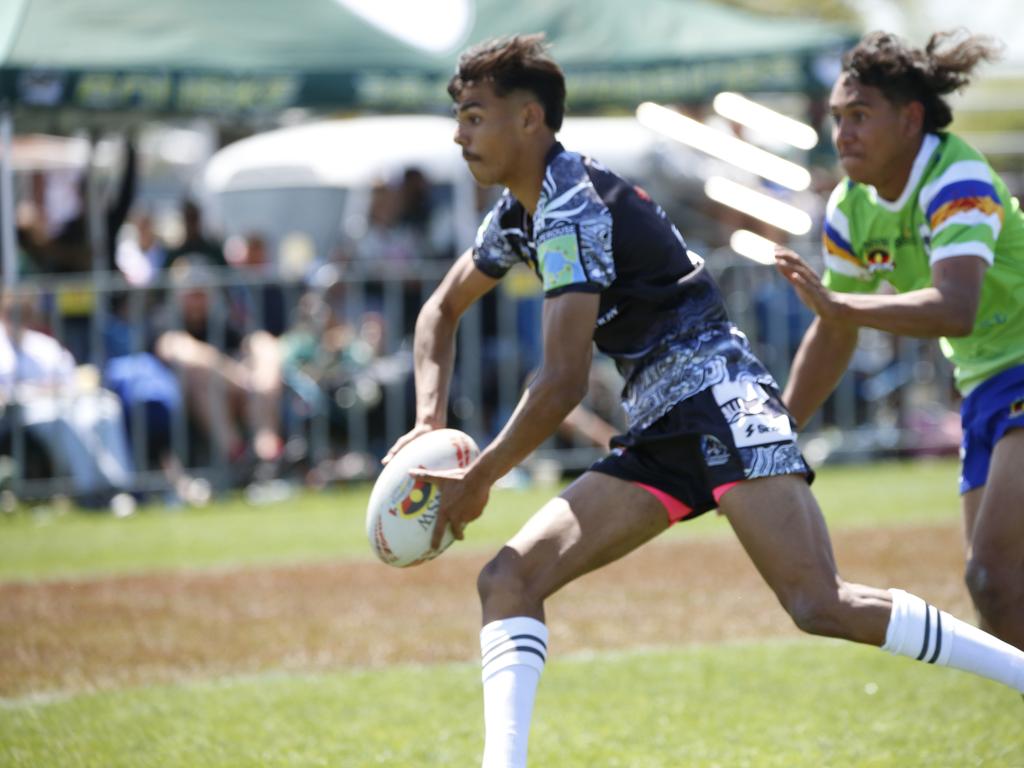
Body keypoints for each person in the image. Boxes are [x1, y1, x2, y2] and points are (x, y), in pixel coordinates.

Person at [381, 34, 1024, 768]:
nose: (459, 135)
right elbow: (440, 310)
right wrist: (427, 425)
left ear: (530, 120)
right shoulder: (518, 215)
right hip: (660, 427)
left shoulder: (572, 207)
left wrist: (482, 477)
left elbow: (561, 382)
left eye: (473, 117)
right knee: (508, 579)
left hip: (720, 403)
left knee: (821, 605)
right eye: (459, 118)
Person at [774, 30, 1024, 649]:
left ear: (911, 119)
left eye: (860, 115)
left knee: (993, 574)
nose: (843, 133)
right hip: (986, 385)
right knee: (995, 594)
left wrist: (843, 305)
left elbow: (956, 307)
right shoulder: (848, 206)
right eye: (837, 117)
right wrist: (771, 441)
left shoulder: (955, 177)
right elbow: (834, 332)